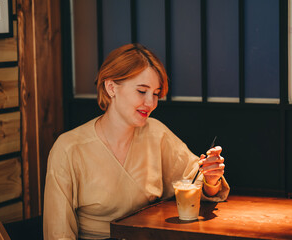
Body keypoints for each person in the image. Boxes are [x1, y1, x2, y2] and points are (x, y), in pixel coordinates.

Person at [43, 43, 230, 240]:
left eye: (156, 94)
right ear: (111, 87)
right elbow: (58, 234)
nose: (151, 103)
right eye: (142, 91)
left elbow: (194, 178)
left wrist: (211, 178)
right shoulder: (68, 149)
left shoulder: (156, 133)